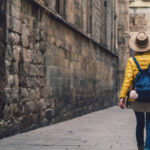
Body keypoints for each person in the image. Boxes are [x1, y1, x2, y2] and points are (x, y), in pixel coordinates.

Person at [119, 31, 150, 150]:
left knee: (140, 123)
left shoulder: (131, 61)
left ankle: (141, 148)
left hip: (136, 97)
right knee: (149, 124)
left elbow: (127, 80)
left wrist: (122, 97)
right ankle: (148, 147)